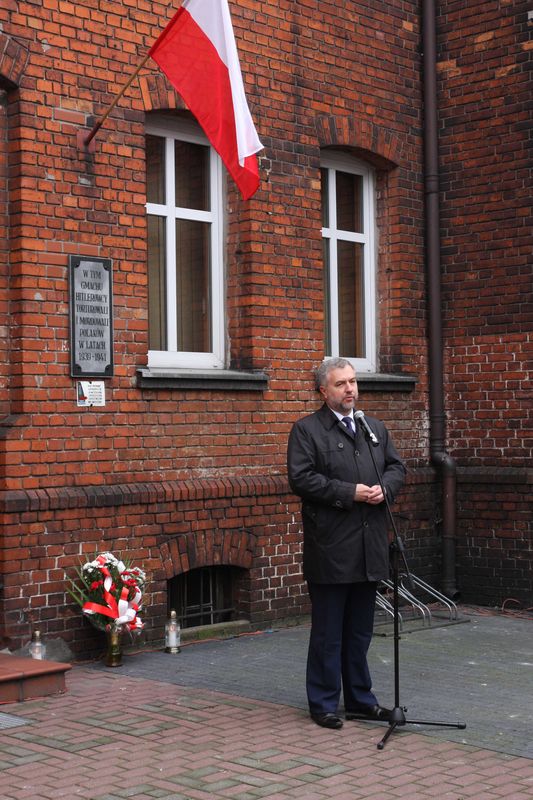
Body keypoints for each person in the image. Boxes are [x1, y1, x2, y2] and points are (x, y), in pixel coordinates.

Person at [287, 357, 406, 729]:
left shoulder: (373, 427)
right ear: (324, 391)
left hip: (369, 547)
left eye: (353, 381)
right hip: (332, 548)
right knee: (328, 633)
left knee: (359, 632)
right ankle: (323, 703)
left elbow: (396, 467)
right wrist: (348, 492)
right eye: (341, 384)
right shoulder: (307, 430)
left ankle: (359, 700)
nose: (350, 389)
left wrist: (384, 489)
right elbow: (301, 479)